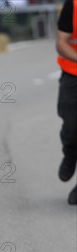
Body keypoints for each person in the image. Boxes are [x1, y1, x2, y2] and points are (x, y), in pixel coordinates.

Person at [56, 0, 77, 205]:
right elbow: (61, 43)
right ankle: (70, 154)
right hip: (73, 74)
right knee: (72, 129)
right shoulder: (73, 5)